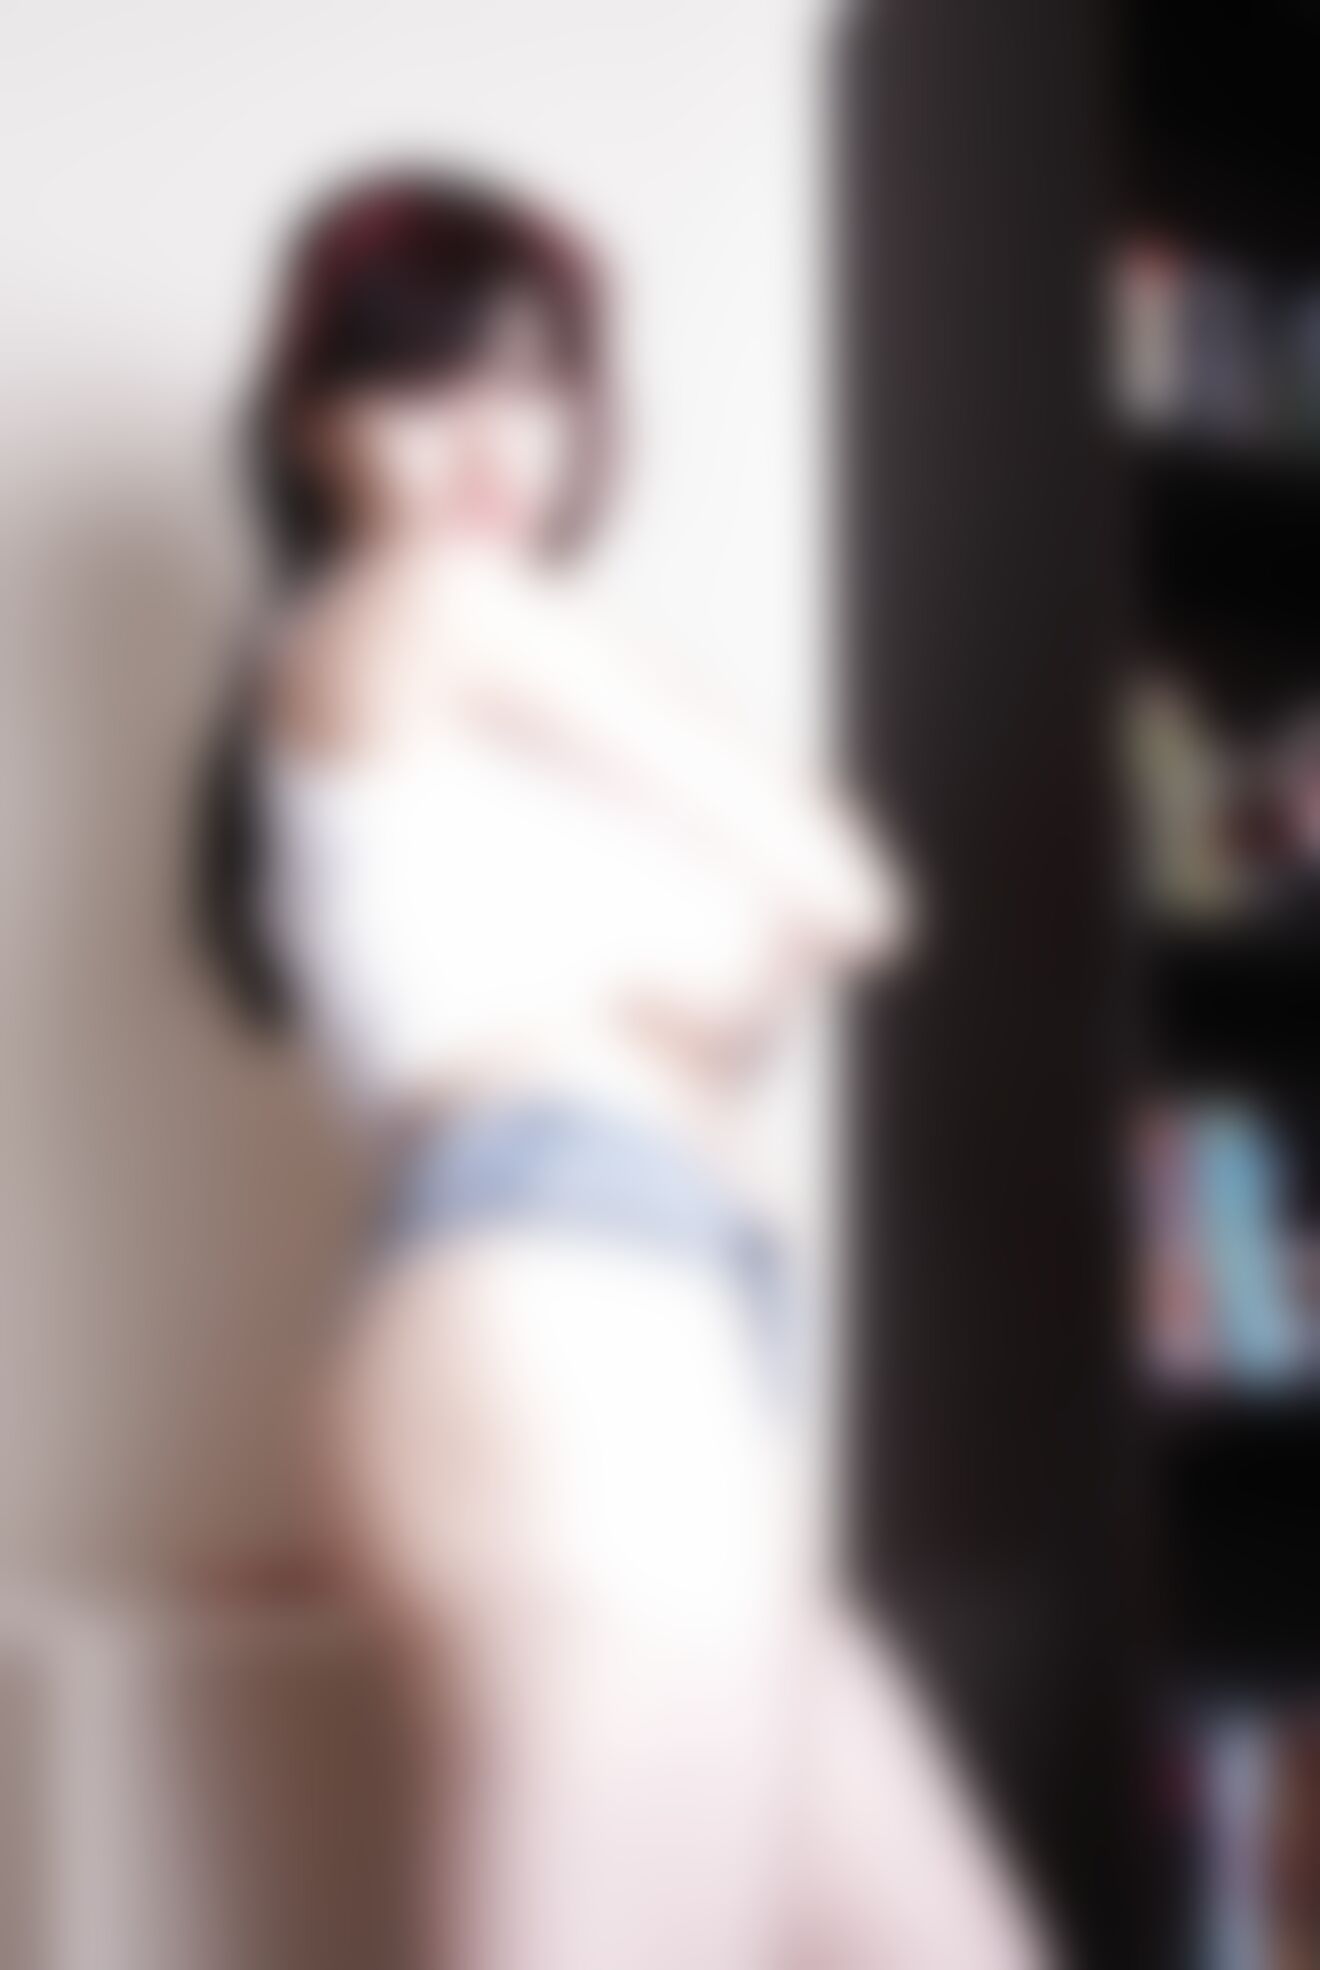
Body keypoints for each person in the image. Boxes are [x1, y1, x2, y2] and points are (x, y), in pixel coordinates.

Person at [193, 166, 1050, 1970]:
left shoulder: (435, 716)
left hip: (631, 1348)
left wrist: (699, 980)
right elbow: (852, 890)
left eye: (535, 382)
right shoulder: (435, 605)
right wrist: (719, 959)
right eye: (423, 381)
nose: (491, 438)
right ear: (308, 417)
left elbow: (723, 1009)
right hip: (567, 1337)